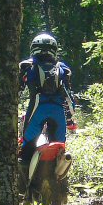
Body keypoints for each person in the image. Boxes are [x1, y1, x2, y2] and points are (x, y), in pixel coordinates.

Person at [18, 32, 76, 190]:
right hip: (58, 113)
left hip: (37, 110)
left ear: (34, 48)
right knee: (60, 149)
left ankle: (22, 189)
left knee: (27, 147)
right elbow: (68, 97)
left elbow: (16, 92)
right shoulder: (64, 69)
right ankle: (61, 186)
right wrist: (71, 121)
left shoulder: (27, 65)